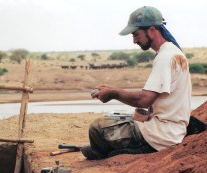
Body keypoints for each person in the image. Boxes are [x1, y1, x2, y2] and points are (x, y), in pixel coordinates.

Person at [81, 6, 191, 160]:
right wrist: (113, 90)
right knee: (117, 120)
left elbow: (144, 100)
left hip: (162, 135)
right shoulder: (172, 53)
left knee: (97, 128)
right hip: (171, 130)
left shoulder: (165, 58)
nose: (134, 40)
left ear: (152, 29)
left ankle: (101, 153)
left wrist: (113, 93)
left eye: (136, 34)